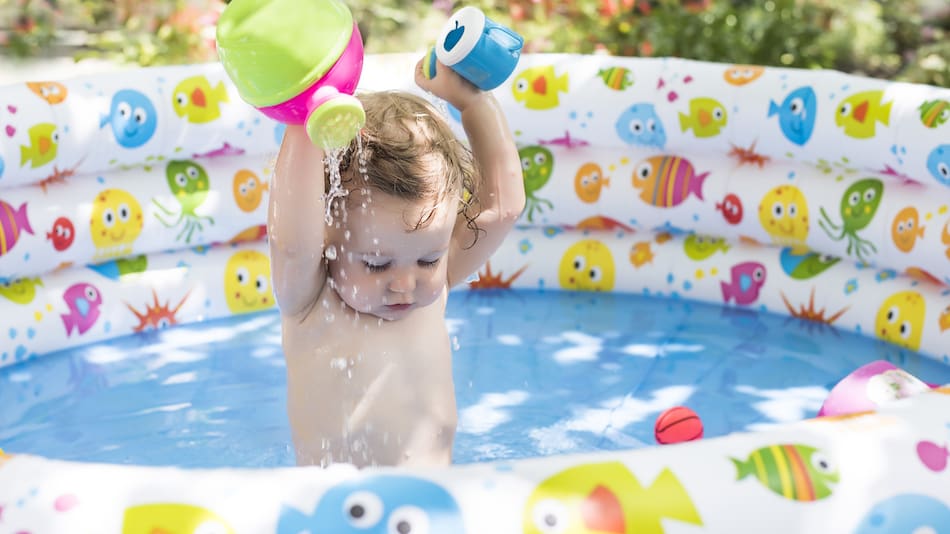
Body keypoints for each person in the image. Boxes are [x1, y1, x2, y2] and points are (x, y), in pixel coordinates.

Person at [268, 54, 525, 468]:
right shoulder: (311, 298)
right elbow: (291, 243)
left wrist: (473, 103)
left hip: (434, 502)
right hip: (340, 514)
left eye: (428, 258)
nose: (405, 284)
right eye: (375, 264)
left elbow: (502, 207)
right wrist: (304, 120)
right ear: (327, 234)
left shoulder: (435, 284)